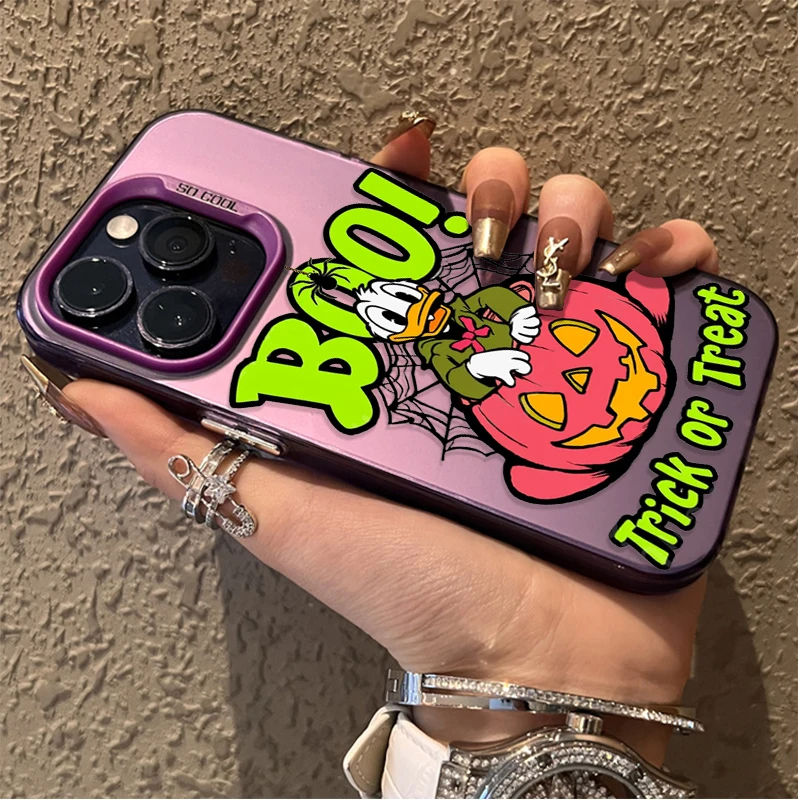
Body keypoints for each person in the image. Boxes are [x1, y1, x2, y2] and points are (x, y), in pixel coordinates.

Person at [32, 116, 720, 797]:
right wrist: (542, 685)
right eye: (386, 318)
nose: (563, 373)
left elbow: (494, 317)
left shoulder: (484, 333)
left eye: (558, 399)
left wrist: (562, 688)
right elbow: (463, 368)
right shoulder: (453, 356)